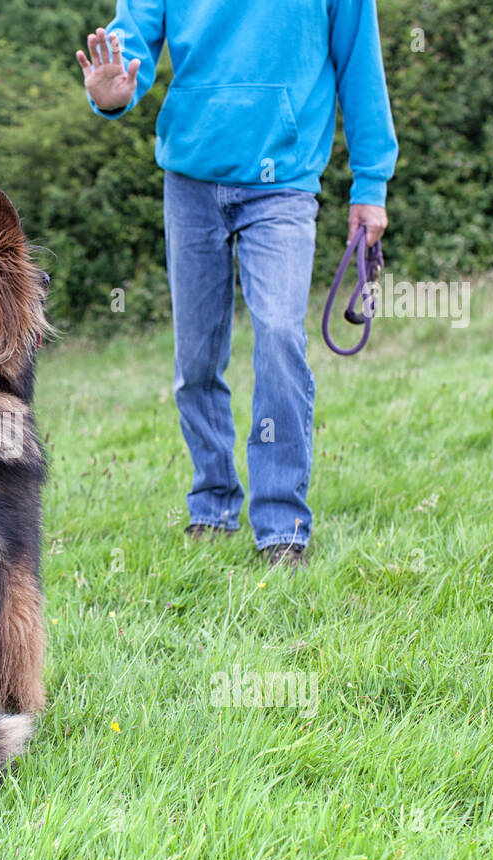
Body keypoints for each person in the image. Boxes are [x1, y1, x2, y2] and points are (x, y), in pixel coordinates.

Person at [77, 1, 398, 566]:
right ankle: (214, 504)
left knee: (277, 334)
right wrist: (114, 92)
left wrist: (370, 184)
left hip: (284, 182)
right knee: (196, 359)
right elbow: (130, 45)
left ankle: (282, 527)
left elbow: (360, 65)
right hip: (191, 180)